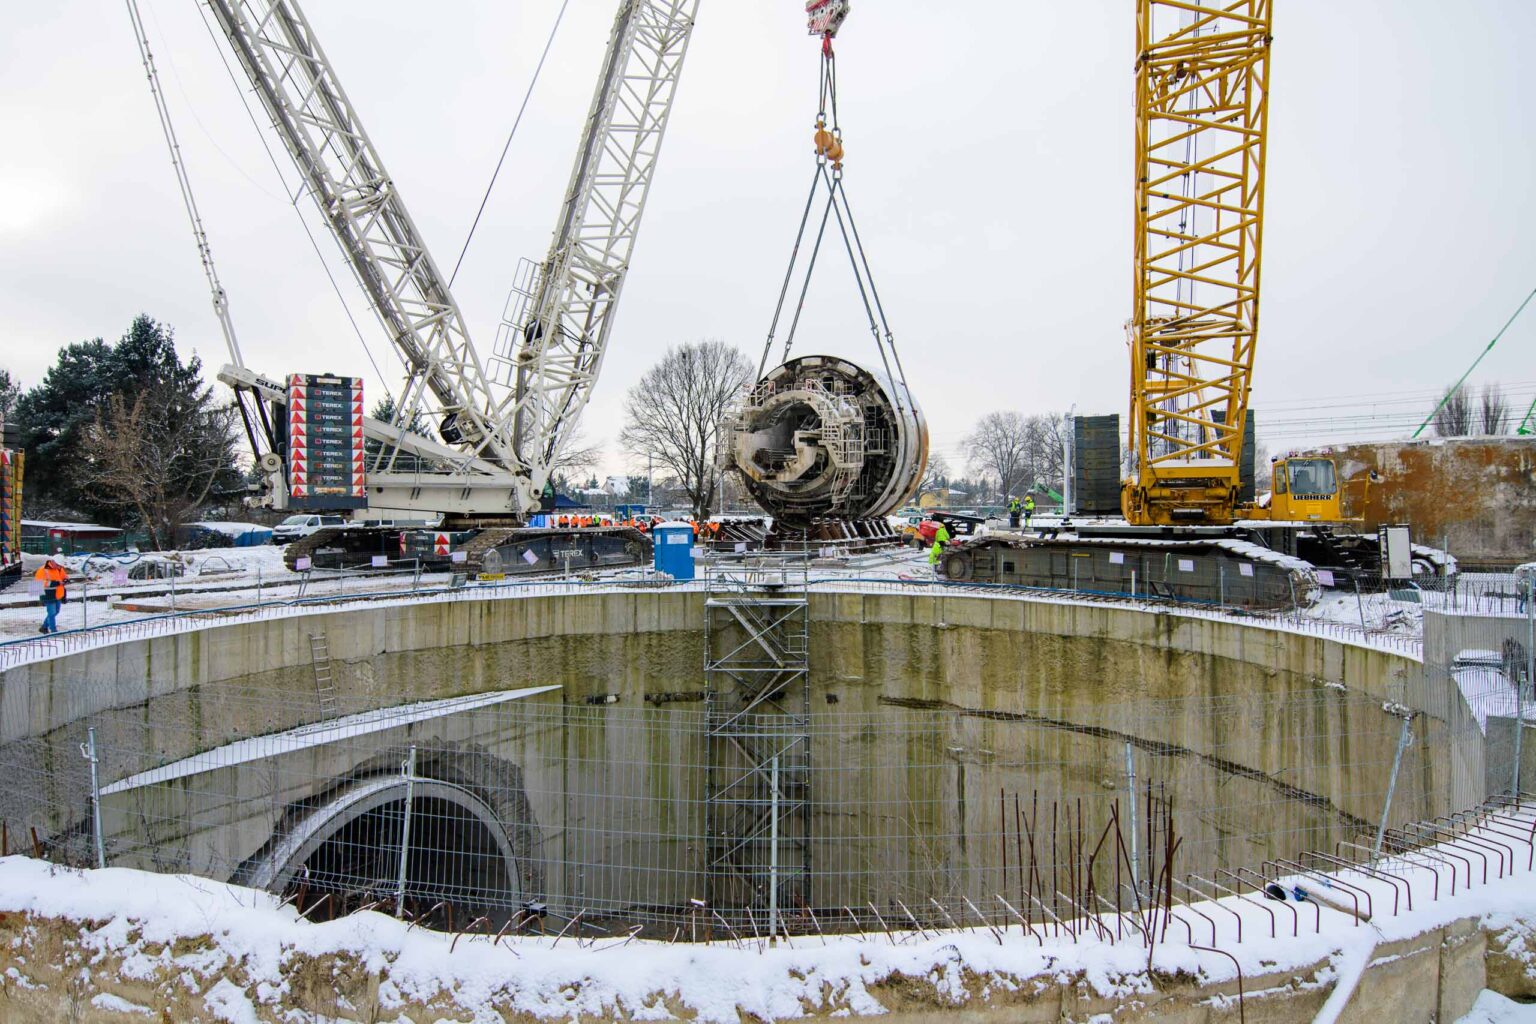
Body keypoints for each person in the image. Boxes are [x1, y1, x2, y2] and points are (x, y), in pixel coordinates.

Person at [34, 559, 67, 634]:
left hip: (57, 594)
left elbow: (64, 576)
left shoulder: (59, 568)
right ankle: (53, 631)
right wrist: (56, 583)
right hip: (47, 595)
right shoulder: (42, 570)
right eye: (58, 565)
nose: (59, 567)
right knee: (52, 613)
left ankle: (44, 627)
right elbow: (38, 583)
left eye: (60, 566)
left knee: (56, 612)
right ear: (53, 562)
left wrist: (65, 580)